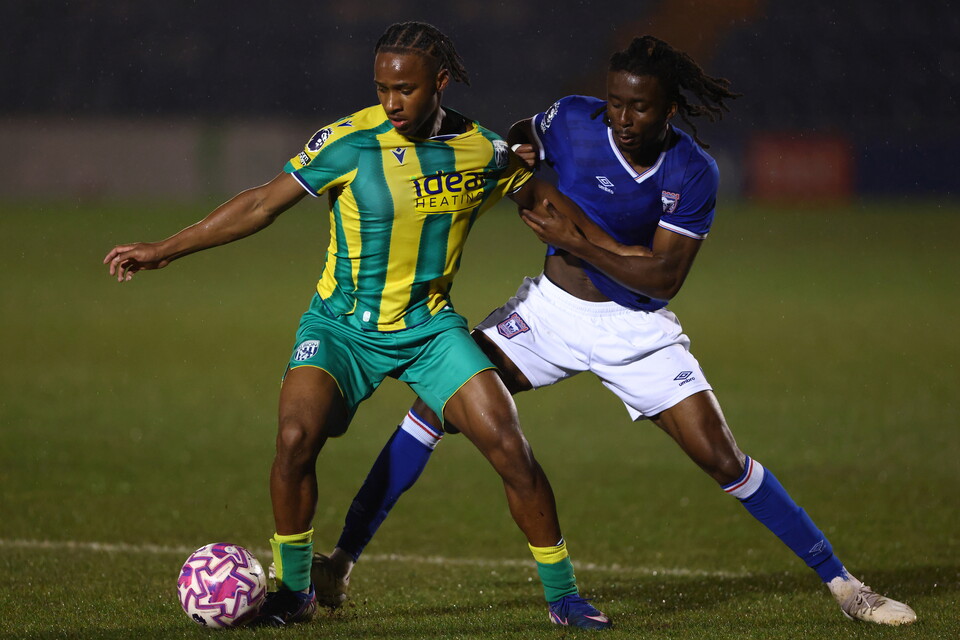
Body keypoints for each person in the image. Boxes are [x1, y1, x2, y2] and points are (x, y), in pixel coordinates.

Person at [310, 35, 918, 627]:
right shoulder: (574, 118)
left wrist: (579, 242)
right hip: (546, 315)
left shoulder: (691, 169)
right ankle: (340, 563)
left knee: (722, 457)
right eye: (616, 102)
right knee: (433, 406)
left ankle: (845, 586)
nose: (623, 117)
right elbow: (527, 130)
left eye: (640, 106)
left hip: (635, 330)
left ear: (669, 108)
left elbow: (662, 276)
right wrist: (521, 152)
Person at [103, 21, 614, 630]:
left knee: (510, 447)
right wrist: (166, 249)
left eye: (405, 89)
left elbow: (545, 206)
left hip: (428, 331)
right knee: (295, 440)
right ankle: (295, 593)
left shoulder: (482, 150)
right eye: (382, 88)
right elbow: (262, 203)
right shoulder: (348, 140)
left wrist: (623, 257)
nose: (391, 102)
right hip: (342, 328)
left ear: (440, 83)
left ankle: (564, 598)